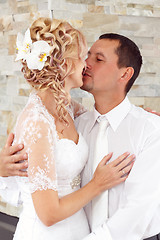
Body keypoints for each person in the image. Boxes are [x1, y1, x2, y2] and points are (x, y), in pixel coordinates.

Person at [0, 18, 134, 240]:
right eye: (83, 57)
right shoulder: (37, 121)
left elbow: (104, 118)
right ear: (65, 64)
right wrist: (98, 184)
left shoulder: (68, 108)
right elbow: (48, 214)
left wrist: (140, 116)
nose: (86, 64)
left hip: (78, 229)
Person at [75, 33, 160, 240]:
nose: (86, 63)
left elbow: (139, 209)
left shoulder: (150, 129)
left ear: (125, 74)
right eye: (87, 56)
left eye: (99, 59)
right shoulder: (76, 125)